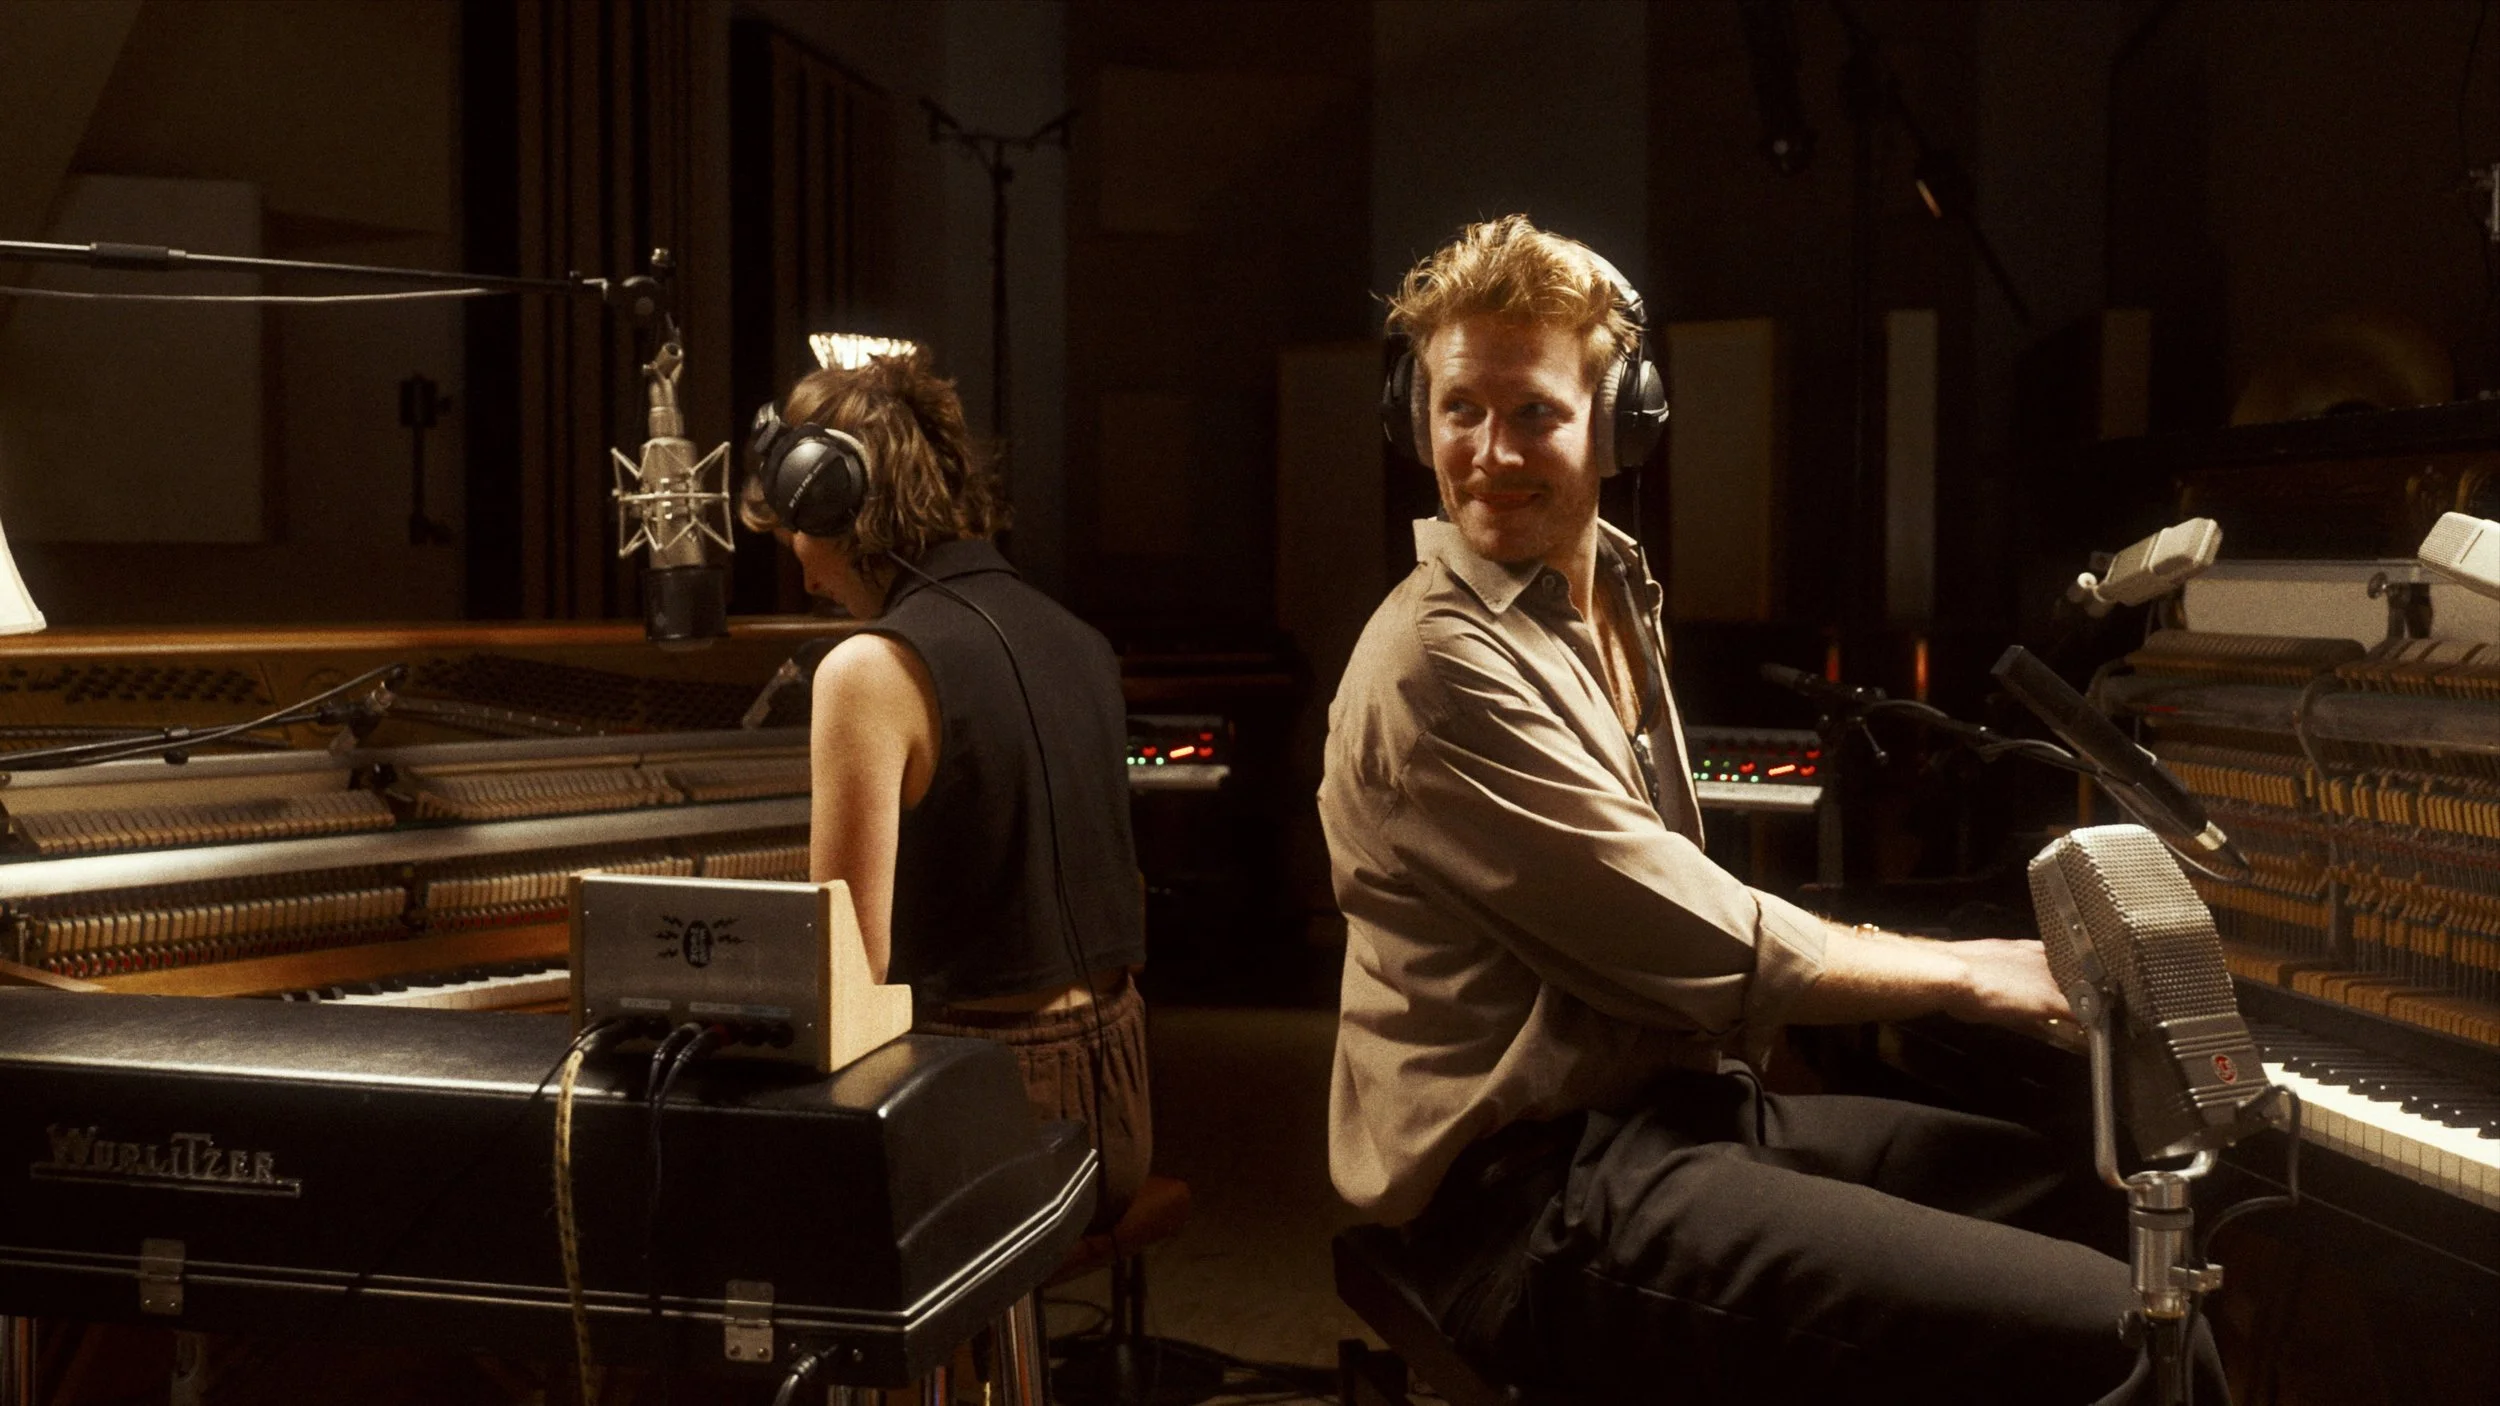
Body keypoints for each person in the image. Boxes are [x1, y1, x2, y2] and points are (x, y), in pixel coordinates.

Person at [1319, 216, 2223, 1405]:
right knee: (2120, 1328)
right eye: (1457, 410)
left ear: (1618, 422)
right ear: (1412, 417)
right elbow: (1687, 936)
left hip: (1671, 1120)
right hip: (1526, 1201)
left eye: (1533, 411)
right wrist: (1970, 972)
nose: (1489, 452)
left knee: (2100, 1204)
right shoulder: (1438, 664)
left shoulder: (1604, 595)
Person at [741, 347, 1150, 1231]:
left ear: (836, 502)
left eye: (798, 531)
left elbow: (847, 970)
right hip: (1118, 1104)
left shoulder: (866, 669)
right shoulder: (1079, 640)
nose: (804, 570)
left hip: (987, 1121)